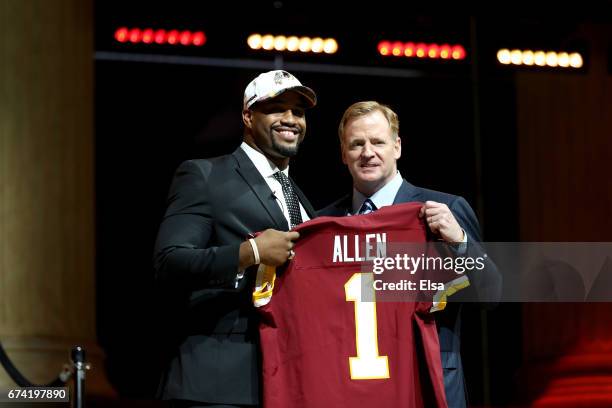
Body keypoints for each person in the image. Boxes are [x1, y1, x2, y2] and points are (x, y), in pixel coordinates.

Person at [318, 101, 502, 408]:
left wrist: (460, 241)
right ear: (342, 154)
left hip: (427, 385)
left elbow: (491, 294)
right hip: (354, 390)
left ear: (397, 147)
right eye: (357, 144)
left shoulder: (446, 209)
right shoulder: (324, 225)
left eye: (377, 142)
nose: (367, 152)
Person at [153, 70, 317, 408]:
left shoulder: (302, 199)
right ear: (247, 115)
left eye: (298, 112)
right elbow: (169, 261)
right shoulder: (205, 175)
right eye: (277, 108)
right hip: (218, 382)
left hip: (285, 379)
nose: (290, 119)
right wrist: (250, 252)